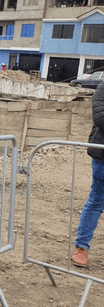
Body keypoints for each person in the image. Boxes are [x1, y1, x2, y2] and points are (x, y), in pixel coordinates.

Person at [71, 80, 104, 268]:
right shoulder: (103, 87)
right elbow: (101, 117)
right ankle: (82, 247)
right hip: (103, 158)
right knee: (96, 202)